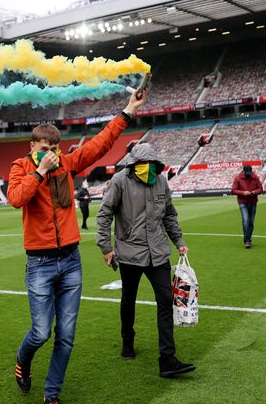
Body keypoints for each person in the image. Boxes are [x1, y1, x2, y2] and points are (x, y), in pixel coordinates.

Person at [7, 91, 147, 404]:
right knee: (41, 332)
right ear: (33, 147)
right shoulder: (20, 168)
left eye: (55, 149)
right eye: (45, 150)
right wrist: (40, 171)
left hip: (70, 261)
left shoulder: (68, 164)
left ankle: (51, 394)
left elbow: (101, 143)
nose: (52, 155)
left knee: (66, 337)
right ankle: (23, 362)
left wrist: (127, 111)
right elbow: (16, 198)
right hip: (40, 263)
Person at [96, 142, 196, 378]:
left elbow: (169, 214)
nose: (147, 169)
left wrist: (179, 241)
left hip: (158, 252)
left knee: (165, 300)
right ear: (133, 165)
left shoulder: (161, 181)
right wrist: (106, 248)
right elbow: (104, 214)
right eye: (143, 165)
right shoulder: (120, 180)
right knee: (128, 298)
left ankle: (168, 358)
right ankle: (127, 340)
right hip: (130, 252)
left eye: (151, 165)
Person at [231, 164, 264, 249]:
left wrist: (253, 192)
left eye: (250, 172)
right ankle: (247, 240)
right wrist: (243, 192)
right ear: (244, 171)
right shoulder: (238, 178)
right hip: (243, 202)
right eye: (247, 172)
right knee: (245, 220)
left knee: (251, 222)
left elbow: (261, 189)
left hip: (253, 201)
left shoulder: (255, 177)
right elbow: (233, 190)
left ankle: (248, 239)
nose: (249, 174)